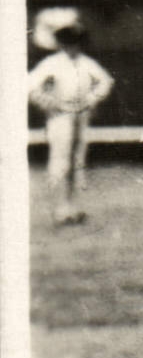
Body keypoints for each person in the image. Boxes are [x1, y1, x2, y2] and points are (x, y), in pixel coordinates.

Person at [27, 23, 114, 226]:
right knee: (60, 160)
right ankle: (60, 209)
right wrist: (49, 103)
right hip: (60, 117)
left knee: (77, 160)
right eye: (68, 43)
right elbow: (30, 86)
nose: (72, 47)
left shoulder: (86, 63)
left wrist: (91, 100)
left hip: (81, 115)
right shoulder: (51, 63)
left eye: (76, 43)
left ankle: (73, 207)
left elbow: (106, 81)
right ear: (61, 44)